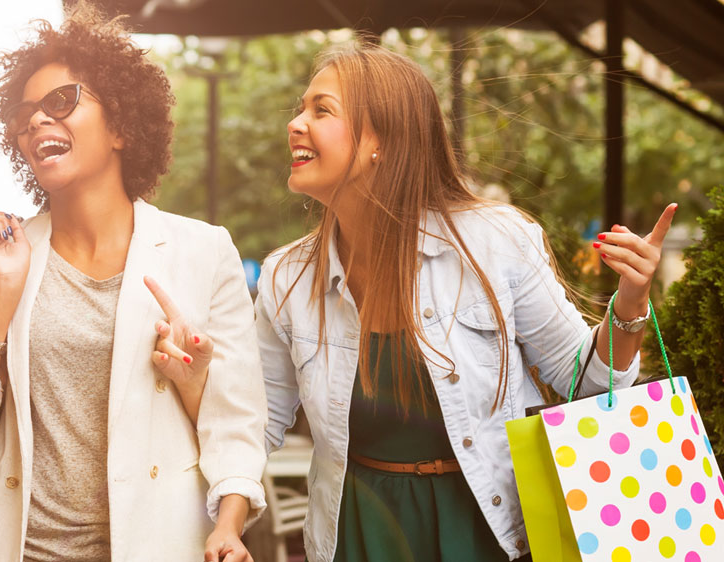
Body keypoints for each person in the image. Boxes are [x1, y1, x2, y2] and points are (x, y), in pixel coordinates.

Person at [257, 40, 678, 561]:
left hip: (484, 530)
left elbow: (585, 381)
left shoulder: (494, 240)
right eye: (300, 109)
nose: (296, 123)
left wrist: (631, 304)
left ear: (379, 141)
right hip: (360, 535)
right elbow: (258, 422)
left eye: (321, 110)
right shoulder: (287, 278)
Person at [0, 6, 267, 562]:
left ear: (123, 127)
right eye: (25, 112)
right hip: (22, 550)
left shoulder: (202, 252)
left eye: (61, 102)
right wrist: (3, 299)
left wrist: (229, 524)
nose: (36, 121)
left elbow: (238, 418)